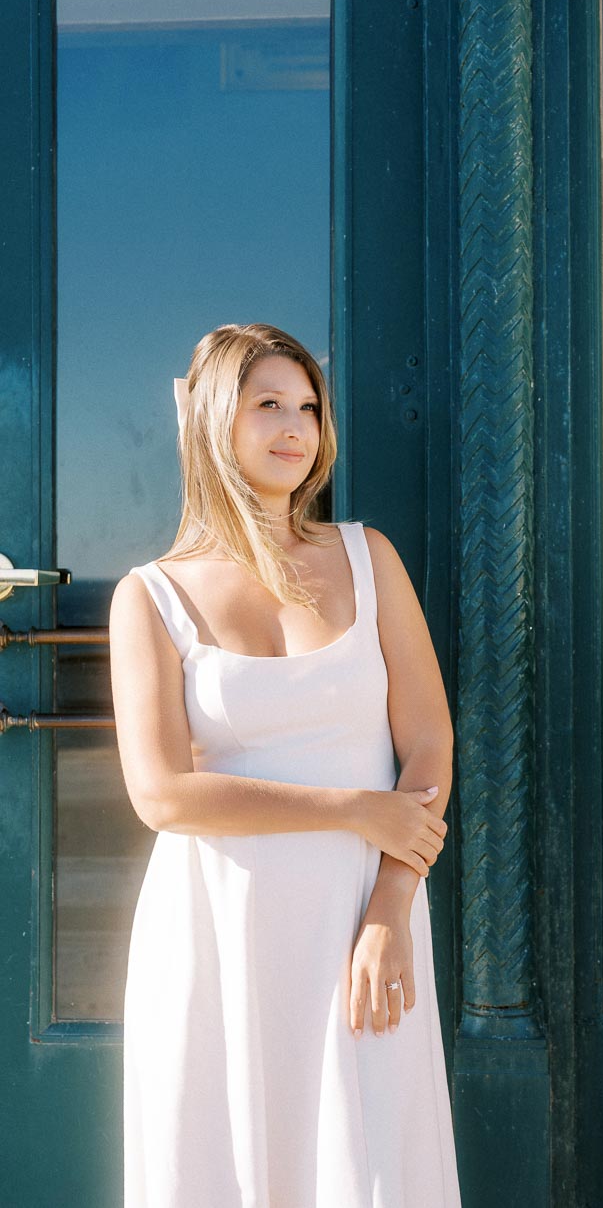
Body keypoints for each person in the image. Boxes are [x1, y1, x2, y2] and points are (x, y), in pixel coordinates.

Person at [110, 323, 461, 1207]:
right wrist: (353, 806)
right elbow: (160, 794)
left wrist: (388, 908)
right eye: (267, 403)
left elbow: (427, 745)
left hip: (361, 922)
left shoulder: (368, 557)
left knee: (372, 1166)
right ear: (213, 420)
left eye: (307, 405)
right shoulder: (149, 596)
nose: (295, 424)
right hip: (216, 932)